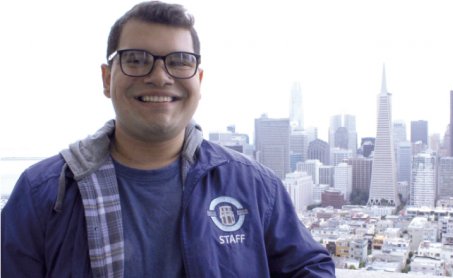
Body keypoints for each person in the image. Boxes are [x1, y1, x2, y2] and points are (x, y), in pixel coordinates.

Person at [1, 1, 335, 276]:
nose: (159, 76)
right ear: (106, 79)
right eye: (136, 60)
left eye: (179, 62)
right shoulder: (43, 193)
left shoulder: (253, 185)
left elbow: (310, 267)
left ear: (198, 79)